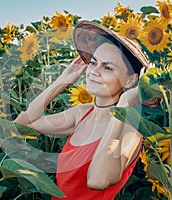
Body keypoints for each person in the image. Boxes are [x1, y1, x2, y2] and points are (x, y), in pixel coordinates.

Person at [14, 20, 150, 199]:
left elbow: (98, 180)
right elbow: (19, 126)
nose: (94, 71)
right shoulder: (81, 114)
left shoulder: (129, 129)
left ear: (130, 81)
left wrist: (124, 104)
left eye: (108, 67)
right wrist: (62, 81)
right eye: (93, 63)